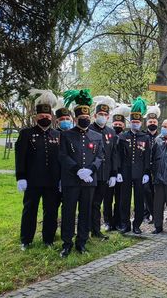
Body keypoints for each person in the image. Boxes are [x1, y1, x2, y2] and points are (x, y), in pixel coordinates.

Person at [59, 89, 104, 257]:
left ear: (90, 118)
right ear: (75, 119)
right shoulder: (66, 135)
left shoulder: (96, 135)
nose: (84, 120)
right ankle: (67, 243)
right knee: (68, 211)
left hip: (89, 181)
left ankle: (82, 242)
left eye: (86, 118)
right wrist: (77, 170)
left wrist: (91, 170)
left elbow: (100, 156)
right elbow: (62, 155)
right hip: (71, 180)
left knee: (85, 211)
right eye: (80, 118)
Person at [15, 89, 61, 250]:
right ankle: (26, 240)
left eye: (47, 117)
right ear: (36, 117)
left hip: (52, 182)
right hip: (32, 181)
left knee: (51, 212)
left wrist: (61, 178)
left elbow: (61, 160)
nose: (45, 119)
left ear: (52, 117)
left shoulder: (57, 135)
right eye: (41, 117)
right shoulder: (27, 134)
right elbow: (20, 157)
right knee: (30, 210)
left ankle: (48, 239)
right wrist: (20, 177)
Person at [117, 97, 151, 234]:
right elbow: (118, 155)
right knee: (124, 200)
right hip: (125, 172)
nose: (135, 124)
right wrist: (118, 171)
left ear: (141, 123)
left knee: (138, 200)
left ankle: (137, 224)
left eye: (137, 122)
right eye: (133, 122)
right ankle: (125, 224)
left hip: (139, 172)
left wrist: (147, 173)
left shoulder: (145, 137)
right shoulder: (123, 137)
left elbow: (147, 157)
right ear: (130, 122)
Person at [88, 96, 118, 240]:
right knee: (89, 203)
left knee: (97, 203)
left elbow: (113, 154)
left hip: (105, 174)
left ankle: (95, 230)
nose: (103, 117)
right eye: (101, 115)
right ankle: (89, 229)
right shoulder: (88, 130)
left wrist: (113, 173)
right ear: (95, 115)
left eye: (106, 115)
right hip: (91, 174)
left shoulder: (111, 132)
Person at [104, 104, 130, 231]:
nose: (117, 126)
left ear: (124, 126)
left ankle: (118, 221)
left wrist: (121, 171)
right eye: (115, 124)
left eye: (120, 124)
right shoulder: (108, 136)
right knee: (107, 198)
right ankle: (108, 222)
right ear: (112, 124)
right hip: (109, 171)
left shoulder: (126, 138)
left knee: (120, 199)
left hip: (122, 173)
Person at [143, 105, 160, 224]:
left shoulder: (161, 136)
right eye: (150, 121)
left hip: (157, 168)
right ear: (146, 123)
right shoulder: (143, 136)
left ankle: (155, 215)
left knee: (156, 192)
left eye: (154, 121)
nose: (152, 123)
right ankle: (146, 214)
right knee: (146, 191)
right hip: (145, 167)